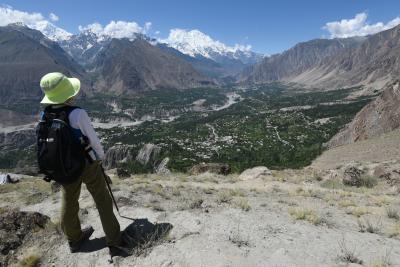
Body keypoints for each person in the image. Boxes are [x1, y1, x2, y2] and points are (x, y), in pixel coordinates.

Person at [38, 72, 125, 255]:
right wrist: (99, 158)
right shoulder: (77, 113)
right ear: (68, 94)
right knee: (102, 199)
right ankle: (114, 240)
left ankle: (74, 239)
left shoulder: (45, 114)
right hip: (86, 164)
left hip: (63, 167)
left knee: (69, 202)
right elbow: (93, 141)